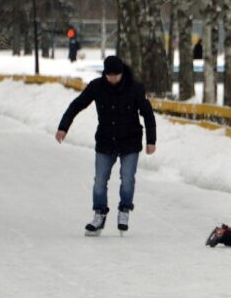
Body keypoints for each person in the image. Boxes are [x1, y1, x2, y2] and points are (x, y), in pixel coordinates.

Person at [55, 55, 156, 236]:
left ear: (122, 73)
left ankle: (124, 210)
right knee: (99, 182)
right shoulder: (96, 87)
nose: (113, 79)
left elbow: (148, 115)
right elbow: (76, 105)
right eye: (109, 75)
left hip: (130, 141)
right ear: (105, 74)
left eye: (116, 75)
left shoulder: (135, 88)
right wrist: (63, 127)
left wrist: (151, 141)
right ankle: (99, 214)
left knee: (127, 180)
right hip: (105, 141)